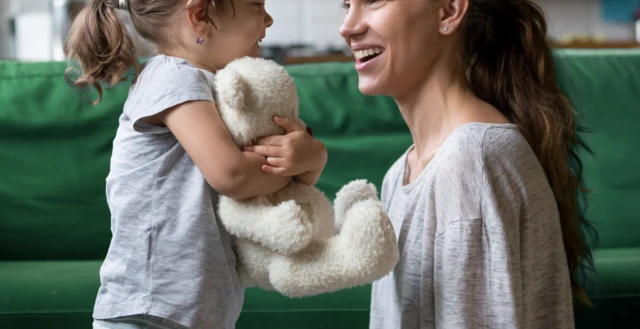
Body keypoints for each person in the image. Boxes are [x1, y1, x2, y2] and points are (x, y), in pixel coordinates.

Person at [64, 0, 328, 328]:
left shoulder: (209, 87)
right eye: (256, 5)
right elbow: (233, 176)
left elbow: (260, 184)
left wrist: (305, 163)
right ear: (200, 16)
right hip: (150, 311)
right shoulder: (173, 76)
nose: (269, 18)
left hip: (195, 311)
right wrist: (310, 159)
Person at [339, 0, 596, 328]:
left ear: (447, 11)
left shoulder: (472, 160)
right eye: (346, 5)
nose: (347, 27)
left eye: (373, 1)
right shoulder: (400, 174)